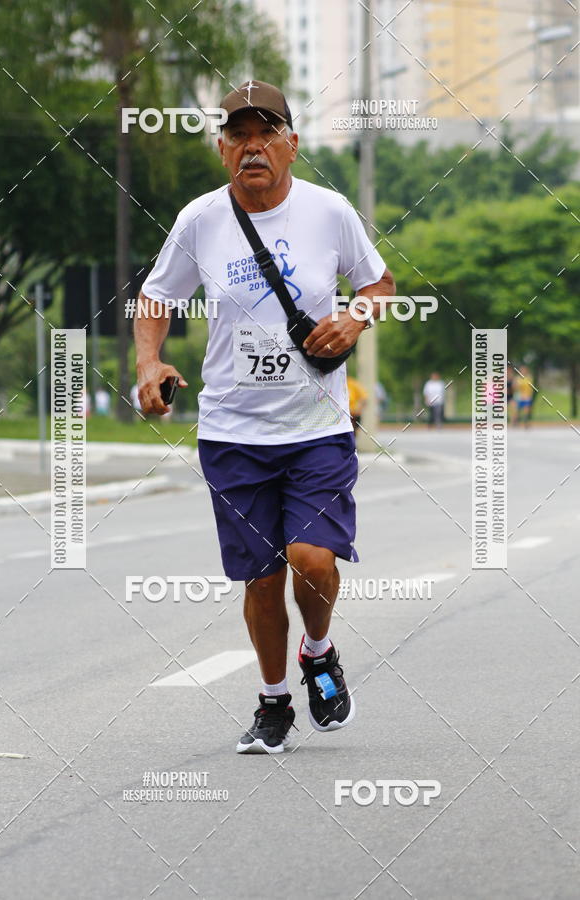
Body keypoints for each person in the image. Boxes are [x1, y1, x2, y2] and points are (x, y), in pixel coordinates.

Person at [134, 80, 396, 754]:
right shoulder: (200, 219)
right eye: (239, 135)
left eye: (267, 132)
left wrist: (353, 318)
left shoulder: (328, 211)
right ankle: (274, 701)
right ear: (223, 150)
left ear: (292, 145)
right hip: (232, 432)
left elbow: (379, 283)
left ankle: (319, 649)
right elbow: (156, 296)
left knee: (311, 558)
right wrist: (148, 365)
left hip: (316, 425)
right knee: (262, 575)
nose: (253, 145)